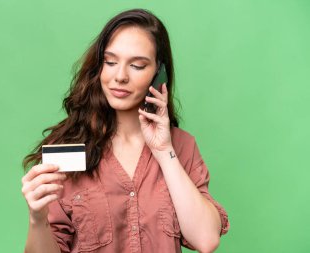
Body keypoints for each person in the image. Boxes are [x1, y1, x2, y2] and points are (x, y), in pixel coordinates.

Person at [21, 8, 229, 253]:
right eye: (110, 62)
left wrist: (164, 151)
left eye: (138, 66)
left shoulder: (181, 146)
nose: (120, 76)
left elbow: (206, 240)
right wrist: (37, 219)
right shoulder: (66, 152)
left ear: (158, 73)